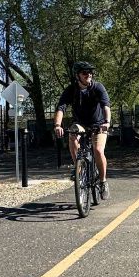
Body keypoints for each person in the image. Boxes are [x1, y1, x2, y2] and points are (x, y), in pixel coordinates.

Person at [52, 60, 112, 198]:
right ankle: (77, 167)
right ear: (77, 75)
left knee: (97, 150)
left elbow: (106, 106)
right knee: (72, 134)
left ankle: (103, 182)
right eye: (85, 73)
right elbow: (61, 108)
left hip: (98, 123)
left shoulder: (98, 87)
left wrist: (107, 122)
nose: (88, 75)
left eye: (90, 72)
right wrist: (57, 125)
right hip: (81, 124)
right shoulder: (71, 90)